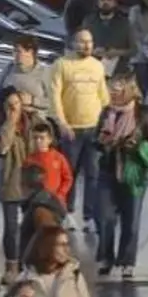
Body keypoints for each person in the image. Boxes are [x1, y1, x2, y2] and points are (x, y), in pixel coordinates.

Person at [95, 72, 148, 279]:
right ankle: (106, 257)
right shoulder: (106, 113)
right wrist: (101, 141)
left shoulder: (145, 114)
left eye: (118, 90)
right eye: (111, 90)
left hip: (134, 170)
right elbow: (96, 140)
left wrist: (137, 146)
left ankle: (127, 261)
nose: (113, 94)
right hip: (108, 169)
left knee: (131, 219)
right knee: (105, 217)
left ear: (129, 91)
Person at [49, 28, 109, 232]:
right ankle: (66, 213)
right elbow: (55, 96)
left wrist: (106, 124)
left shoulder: (98, 66)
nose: (87, 45)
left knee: (93, 174)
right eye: (82, 41)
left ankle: (89, 216)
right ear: (74, 43)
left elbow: (103, 96)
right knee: (69, 175)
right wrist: (62, 123)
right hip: (71, 130)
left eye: (90, 41)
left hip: (93, 128)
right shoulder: (62, 65)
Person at [0, 87, 37, 283]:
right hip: (10, 179)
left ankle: (30, 265)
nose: (14, 108)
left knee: (31, 225)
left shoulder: (32, 122)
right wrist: (9, 123)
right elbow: (1, 146)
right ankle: (12, 266)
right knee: (10, 228)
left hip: (31, 180)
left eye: (16, 103)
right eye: (9, 105)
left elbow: (39, 146)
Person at [19, 164, 68, 261]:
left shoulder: (40, 210)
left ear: (24, 184)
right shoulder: (42, 201)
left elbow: (50, 241)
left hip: (40, 269)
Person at [84, 0, 135, 75]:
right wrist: (92, 51)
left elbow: (134, 50)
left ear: (115, 3)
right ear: (98, 3)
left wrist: (117, 52)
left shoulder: (125, 24)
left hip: (117, 72)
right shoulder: (88, 22)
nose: (105, 2)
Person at [0, 34, 51, 118]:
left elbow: (54, 103)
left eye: (18, 51)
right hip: (8, 118)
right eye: (14, 51)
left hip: (34, 122)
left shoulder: (45, 72)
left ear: (30, 52)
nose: (14, 55)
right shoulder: (9, 68)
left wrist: (32, 100)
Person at [24, 123, 73, 208]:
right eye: (35, 138)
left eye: (42, 138)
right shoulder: (29, 160)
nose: (38, 141)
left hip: (56, 201)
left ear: (49, 139)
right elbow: (25, 182)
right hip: (36, 203)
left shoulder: (58, 158)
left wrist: (61, 194)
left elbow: (68, 178)